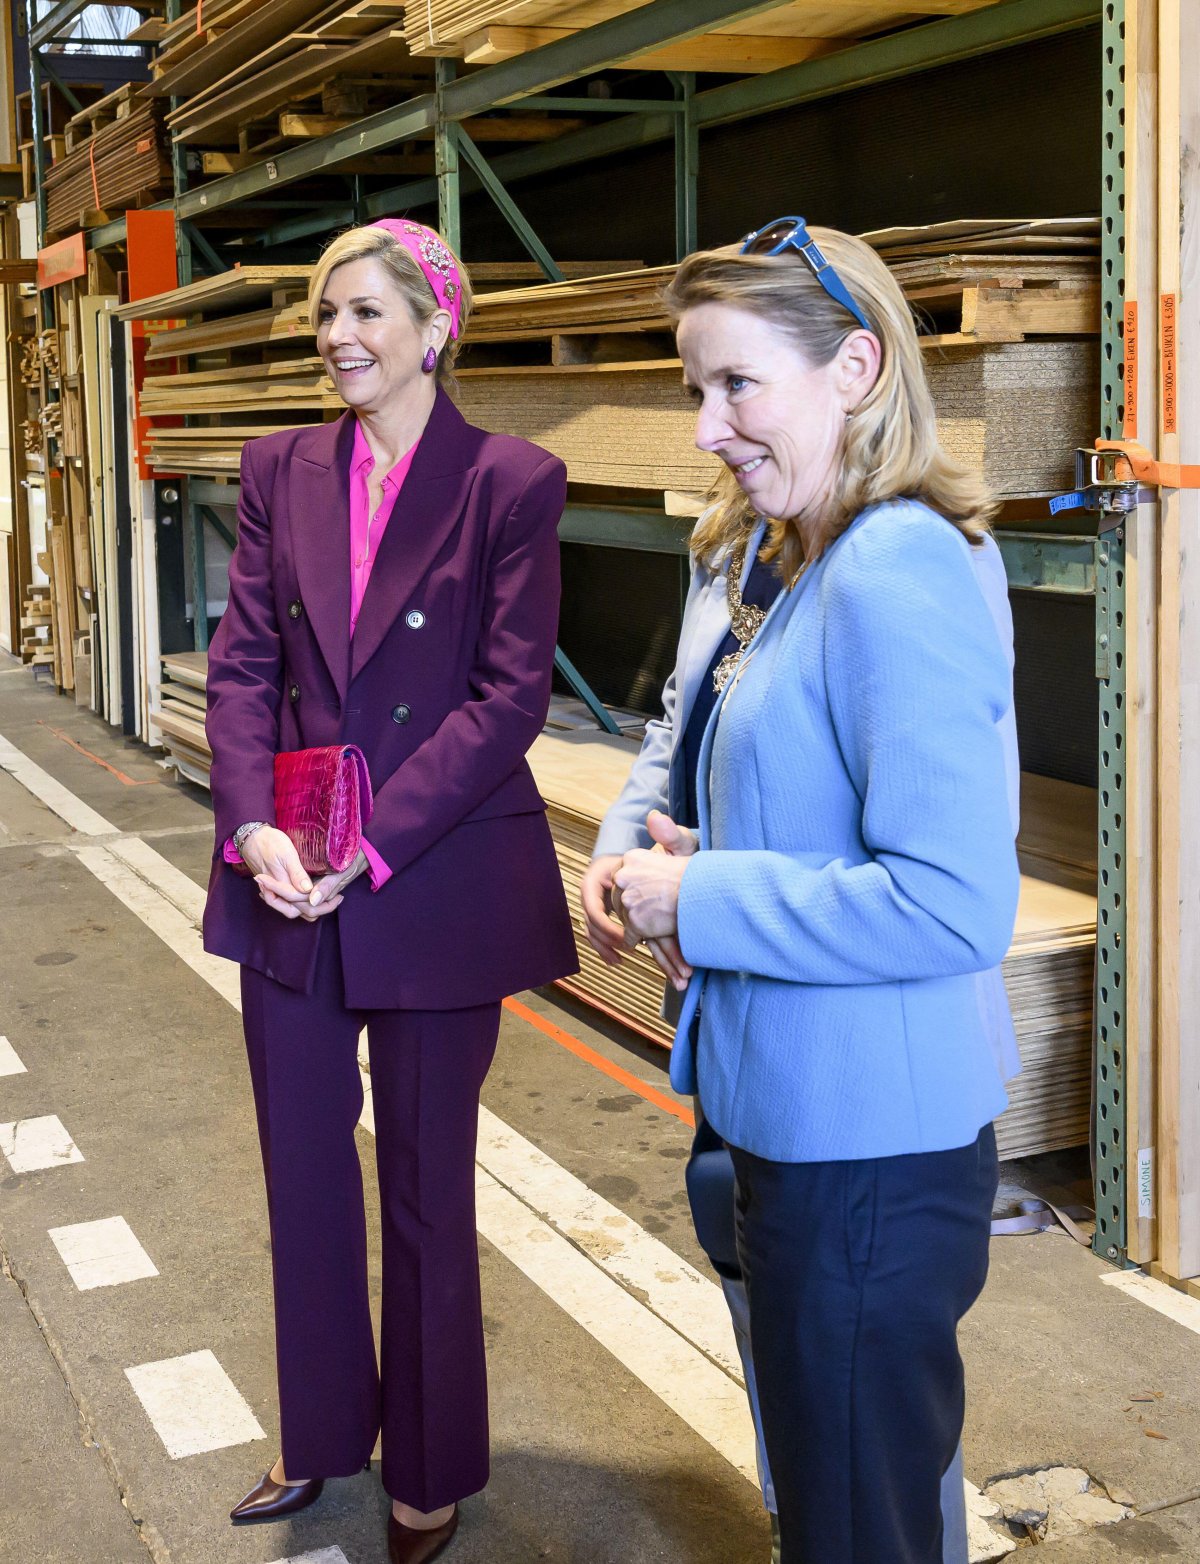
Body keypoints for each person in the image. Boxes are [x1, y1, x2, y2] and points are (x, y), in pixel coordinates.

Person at [607, 217, 1020, 1564]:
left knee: (861, 1519)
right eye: (694, 388)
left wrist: (701, 901)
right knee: (846, 1502)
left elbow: (952, 902)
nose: (707, 426)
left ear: (855, 367)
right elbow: (692, 749)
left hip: (869, 1157)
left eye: (737, 385)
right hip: (773, 1109)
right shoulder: (769, 558)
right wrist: (643, 862)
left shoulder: (899, 568)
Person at [202, 217, 577, 1564]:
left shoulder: (511, 482)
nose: (339, 338)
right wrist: (253, 832)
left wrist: (371, 845)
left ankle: (428, 1469)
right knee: (302, 1173)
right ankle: (318, 1442)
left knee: (428, 1188)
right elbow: (243, 660)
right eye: (325, 316)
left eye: (367, 312)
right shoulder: (277, 469)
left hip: (427, 875)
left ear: (435, 327)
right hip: (285, 873)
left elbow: (505, 700)